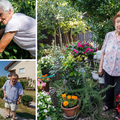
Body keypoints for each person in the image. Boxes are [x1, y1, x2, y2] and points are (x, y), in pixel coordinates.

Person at [98, 11, 120, 120]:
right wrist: (100, 67)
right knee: (108, 88)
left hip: (119, 72)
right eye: (118, 22)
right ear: (114, 23)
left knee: (119, 92)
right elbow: (103, 52)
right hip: (108, 68)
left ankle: (119, 112)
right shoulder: (109, 35)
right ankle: (108, 104)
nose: (119, 24)